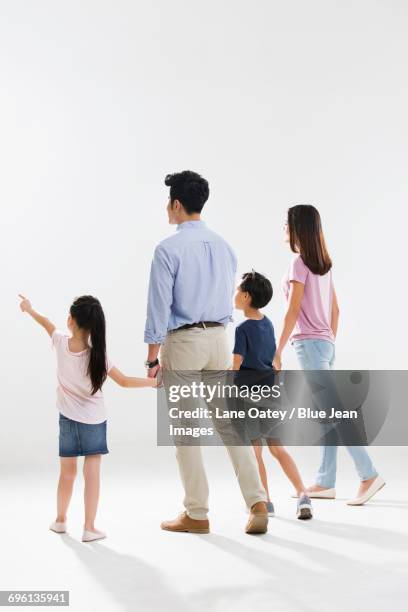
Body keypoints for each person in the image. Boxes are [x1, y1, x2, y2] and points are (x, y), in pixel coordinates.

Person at [144, 170, 268, 534]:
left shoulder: (168, 249)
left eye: (169, 202)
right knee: (229, 425)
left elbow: (158, 306)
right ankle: (257, 500)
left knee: (186, 429)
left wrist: (152, 356)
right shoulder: (225, 246)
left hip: (183, 343)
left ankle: (197, 513)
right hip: (219, 340)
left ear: (177, 204)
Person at [19, 294, 157, 542]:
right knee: (91, 475)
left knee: (67, 474)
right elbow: (124, 381)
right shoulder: (98, 356)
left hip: (67, 421)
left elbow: (46, 322)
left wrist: (29, 309)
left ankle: (60, 521)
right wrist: (153, 382)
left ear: (70, 320)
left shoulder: (60, 342)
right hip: (94, 421)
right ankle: (89, 527)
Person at [273, 205, 385, 505]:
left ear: (298, 228)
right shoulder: (324, 265)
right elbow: (336, 310)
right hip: (325, 344)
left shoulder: (298, 264)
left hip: (309, 346)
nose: (284, 227)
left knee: (333, 413)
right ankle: (325, 480)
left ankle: (368, 474)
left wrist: (278, 350)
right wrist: (329, 340)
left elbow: (292, 309)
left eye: (287, 223)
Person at [232, 271, 313, 519]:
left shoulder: (242, 329)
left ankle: (265, 501)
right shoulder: (267, 323)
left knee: (256, 451)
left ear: (245, 296)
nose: (234, 294)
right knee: (277, 448)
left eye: (237, 290)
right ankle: (302, 493)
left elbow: (235, 368)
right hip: (270, 390)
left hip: (249, 395)